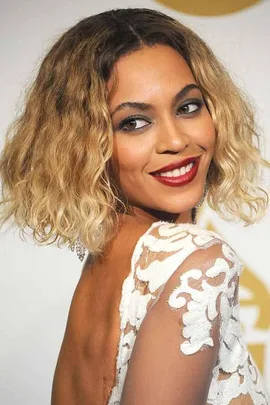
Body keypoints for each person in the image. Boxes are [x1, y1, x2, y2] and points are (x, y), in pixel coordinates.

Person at [0, 7, 269, 405]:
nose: (175, 141)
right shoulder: (196, 261)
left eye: (188, 106)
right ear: (85, 146)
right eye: (134, 123)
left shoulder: (106, 261)